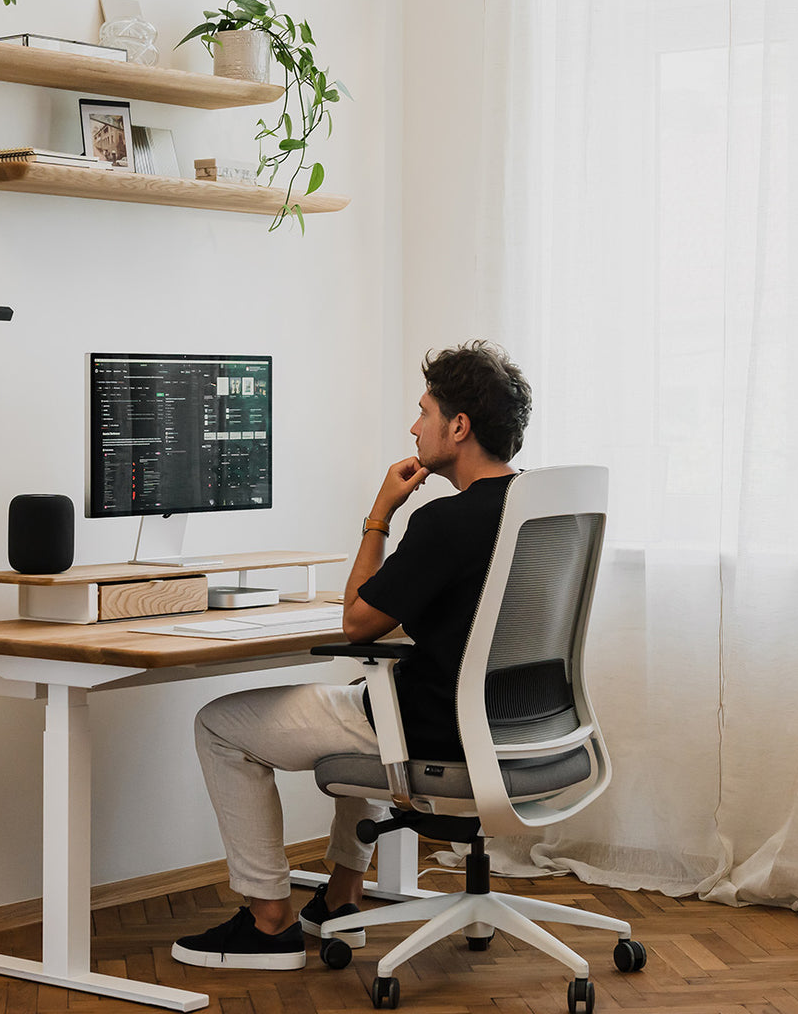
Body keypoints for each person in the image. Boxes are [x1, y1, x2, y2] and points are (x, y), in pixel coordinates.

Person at [171, 340, 533, 970]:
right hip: (520, 724)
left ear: (459, 426)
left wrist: (380, 514)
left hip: (438, 730)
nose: (413, 427)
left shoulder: (446, 522)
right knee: (370, 701)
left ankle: (267, 919)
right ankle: (340, 896)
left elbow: (358, 621)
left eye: (423, 412)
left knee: (220, 726)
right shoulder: (535, 508)